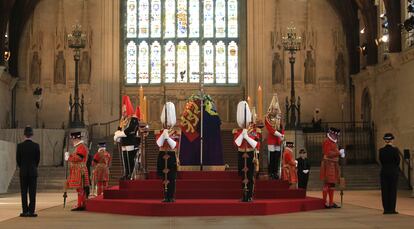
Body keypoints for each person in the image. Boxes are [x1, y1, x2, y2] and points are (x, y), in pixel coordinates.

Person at [233, 101, 261, 202]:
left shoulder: (254, 131)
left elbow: (256, 145)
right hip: (241, 154)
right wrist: (242, 135)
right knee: (242, 176)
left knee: (249, 176)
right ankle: (243, 194)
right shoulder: (238, 131)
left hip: (250, 154)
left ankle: (249, 195)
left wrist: (247, 137)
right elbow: (237, 143)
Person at [155, 102, 181, 202]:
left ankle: (171, 196)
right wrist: (163, 135)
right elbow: (158, 144)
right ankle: (165, 196)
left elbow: (175, 145)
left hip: (171, 155)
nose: (167, 124)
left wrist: (168, 138)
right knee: (164, 178)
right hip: (162, 155)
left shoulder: (176, 131)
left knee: (171, 177)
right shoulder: (160, 131)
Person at [114, 95, 140, 180]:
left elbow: (131, 129)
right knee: (125, 159)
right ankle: (126, 173)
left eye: (125, 110)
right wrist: (117, 134)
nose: (123, 112)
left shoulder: (133, 119)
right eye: (123, 110)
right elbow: (119, 128)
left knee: (130, 159)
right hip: (124, 142)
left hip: (131, 141)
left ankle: (131, 174)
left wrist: (120, 134)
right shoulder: (123, 119)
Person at [16, 126, 40, 217]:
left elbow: (18, 160)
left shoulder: (20, 146)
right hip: (33, 172)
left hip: (23, 172)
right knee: (32, 192)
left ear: (24, 135)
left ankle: (25, 211)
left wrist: (22, 167)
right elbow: (37, 159)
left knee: (23, 192)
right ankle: (31, 211)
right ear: (32, 135)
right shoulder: (36, 146)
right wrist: (34, 167)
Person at [320, 127, 345, 208]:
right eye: (335, 135)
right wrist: (339, 153)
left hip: (334, 164)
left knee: (332, 184)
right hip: (328, 164)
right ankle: (324, 202)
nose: (337, 137)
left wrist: (340, 153)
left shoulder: (334, 142)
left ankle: (331, 202)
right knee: (327, 182)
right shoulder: (327, 141)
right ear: (332, 134)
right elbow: (327, 153)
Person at [65, 132, 90, 211]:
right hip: (78, 169)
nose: (72, 141)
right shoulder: (79, 147)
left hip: (80, 169)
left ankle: (81, 204)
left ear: (76, 139)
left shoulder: (81, 147)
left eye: (73, 139)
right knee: (80, 188)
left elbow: (78, 158)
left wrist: (69, 157)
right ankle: (81, 203)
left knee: (80, 188)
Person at [379, 133, 401, 214]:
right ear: (392, 140)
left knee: (385, 190)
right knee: (392, 190)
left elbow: (381, 161)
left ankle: (386, 209)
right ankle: (392, 209)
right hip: (393, 172)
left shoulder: (381, 150)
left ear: (385, 140)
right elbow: (398, 161)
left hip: (384, 171)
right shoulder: (395, 150)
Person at [265, 94, 284, 179]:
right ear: (271, 109)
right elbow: (270, 129)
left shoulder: (279, 117)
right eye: (274, 109)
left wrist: (282, 134)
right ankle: (271, 172)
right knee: (271, 157)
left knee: (277, 157)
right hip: (272, 139)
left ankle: (276, 172)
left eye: (277, 109)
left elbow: (282, 127)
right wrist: (280, 134)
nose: (275, 110)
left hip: (278, 140)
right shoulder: (267, 118)